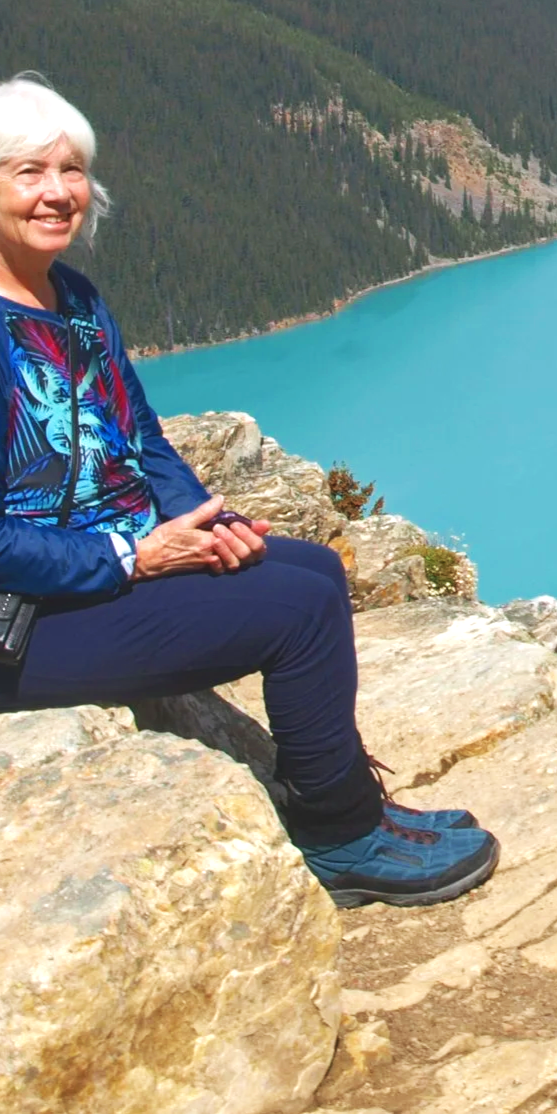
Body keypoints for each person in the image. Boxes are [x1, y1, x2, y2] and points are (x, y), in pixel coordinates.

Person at [0, 73, 498, 909]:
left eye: (72, 169)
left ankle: (348, 797)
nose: (59, 194)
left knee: (310, 571)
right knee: (292, 614)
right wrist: (133, 554)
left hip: (97, 575)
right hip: (21, 627)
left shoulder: (73, 299)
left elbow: (141, 435)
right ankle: (340, 840)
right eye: (28, 173)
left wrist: (205, 517)